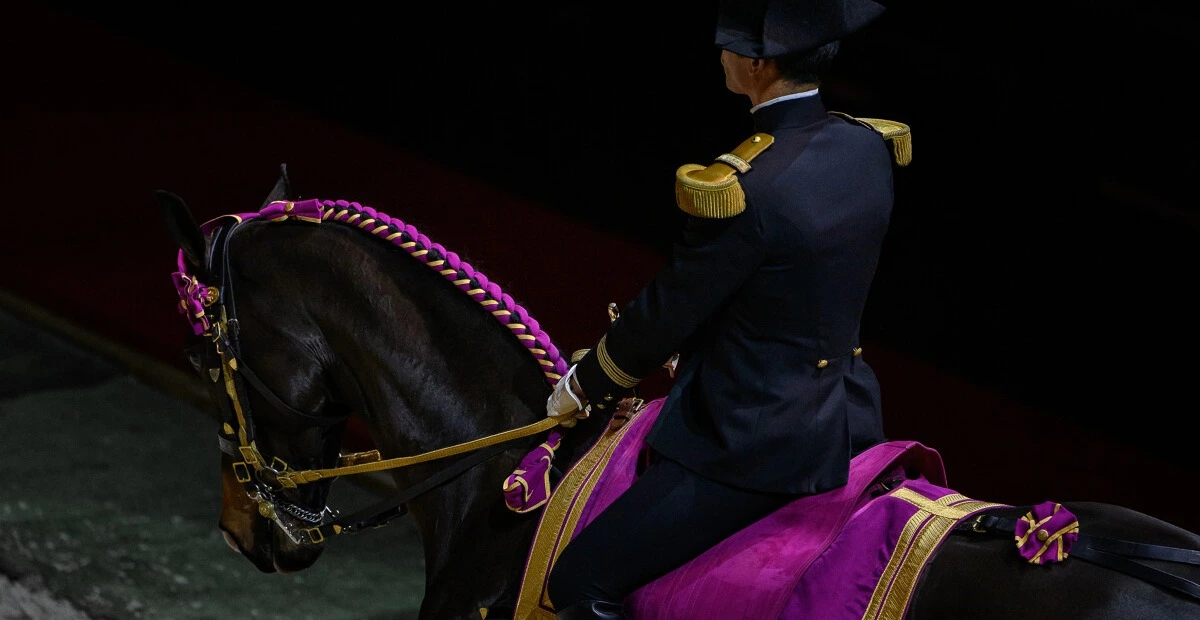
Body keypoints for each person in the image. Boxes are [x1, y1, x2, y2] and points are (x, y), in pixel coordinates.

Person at [543, 0, 909, 617]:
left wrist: (586, 383)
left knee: (581, 582)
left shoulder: (749, 187)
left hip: (757, 439)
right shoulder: (866, 147)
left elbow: (670, 308)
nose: (721, 54)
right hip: (846, 414)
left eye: (731, 45)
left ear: (760, 65)